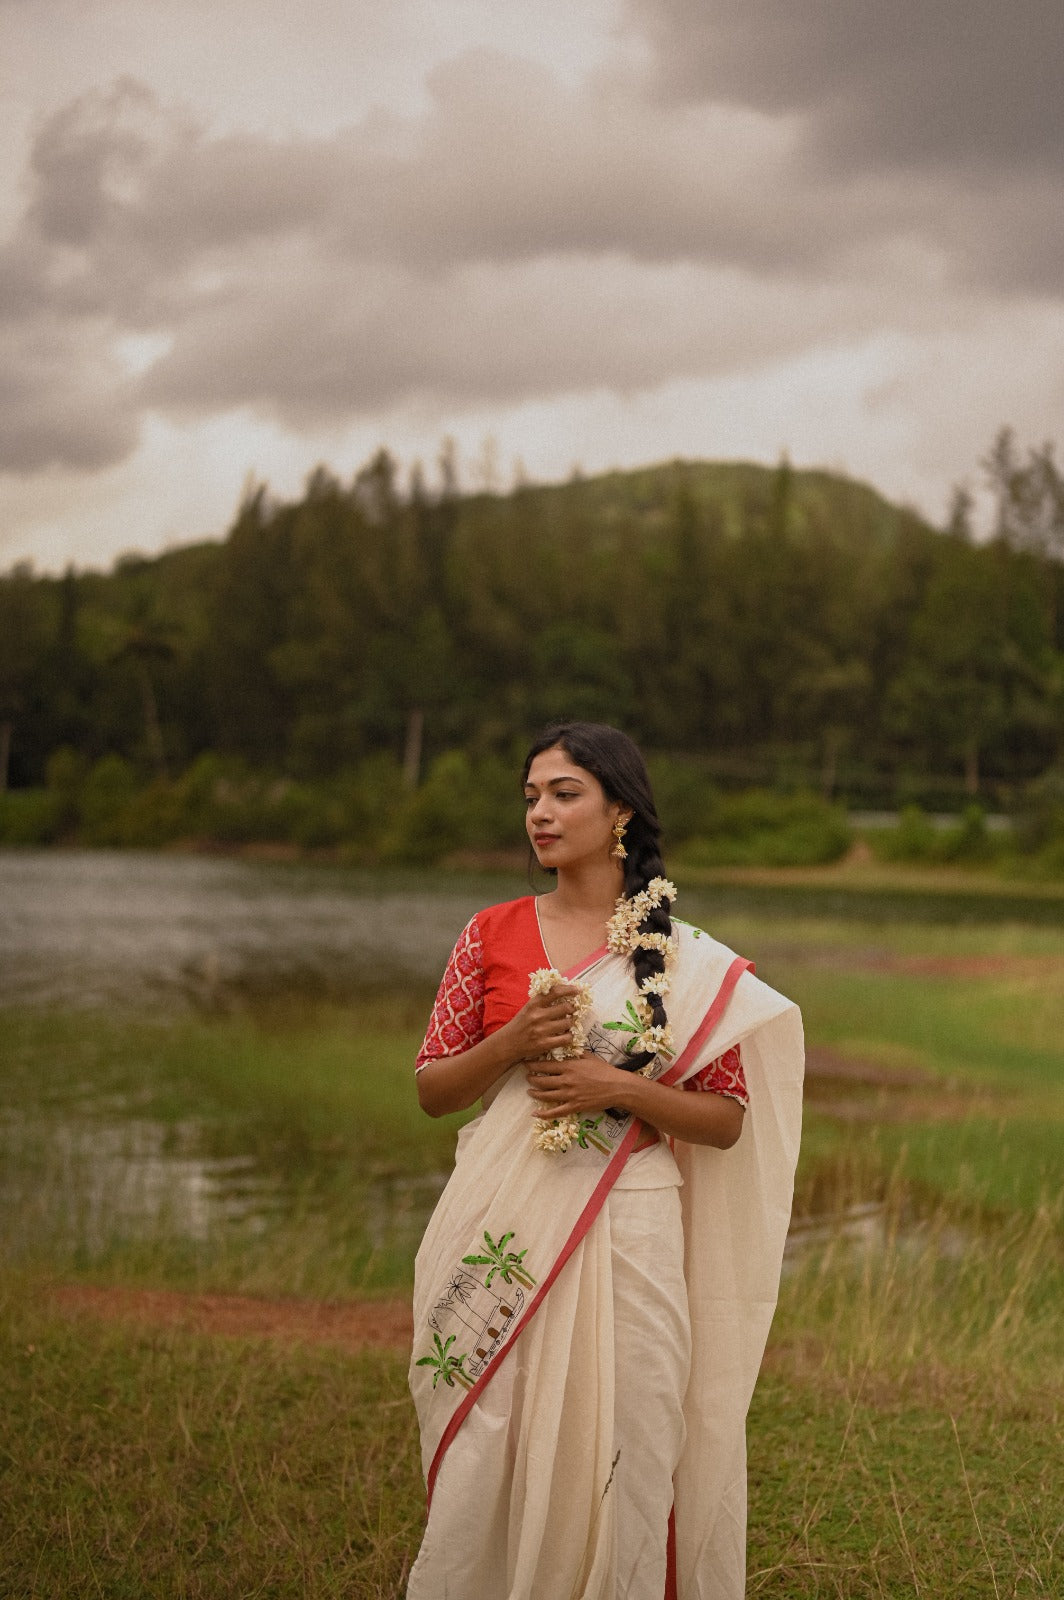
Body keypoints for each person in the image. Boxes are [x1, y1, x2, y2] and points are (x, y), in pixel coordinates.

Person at [406, 722, 804, 1600]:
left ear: (619, 808)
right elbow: (435, 1089)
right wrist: (511, 1041)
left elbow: (725, 1120)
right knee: (496, 1434)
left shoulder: (680, 956)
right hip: (506, 1213)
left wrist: (612, 1088)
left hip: (636, 1228)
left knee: (632, 1430)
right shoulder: (490, 934)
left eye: (563, 794)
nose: (540, 814)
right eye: (530, 798)